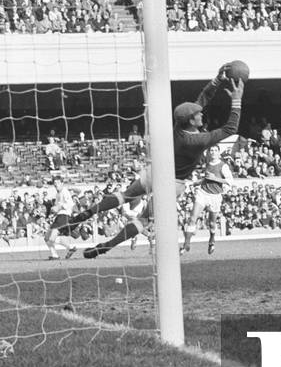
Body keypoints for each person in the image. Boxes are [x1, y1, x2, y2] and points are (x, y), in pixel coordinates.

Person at [61, 63, 244, 259]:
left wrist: (217, 80)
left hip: (156, 172)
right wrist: (236, 101)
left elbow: (203, 99)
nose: (202, 114)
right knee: (145, 220)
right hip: (174, 183)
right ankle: (106, 246)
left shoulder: (179, 127)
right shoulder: (196, 140)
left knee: (125, 195)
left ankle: (85, 214)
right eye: (198, 114)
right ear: (191, 120)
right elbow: (230, 129)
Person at [182, 145, 233, 255]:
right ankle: (186, 243)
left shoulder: (223, 166)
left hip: (215, 196)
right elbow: (206, 178)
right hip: (203, 193)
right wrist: (196, 182)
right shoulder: (208, 164)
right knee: (192, 217)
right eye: (211, 150)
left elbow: (230, 181)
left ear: (219, 153)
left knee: (212, 223)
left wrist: (214, 178)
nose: (213, 152)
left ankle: (212, 239)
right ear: (209, 152)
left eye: (215, 150)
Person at [44, 177, 78, 260]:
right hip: (59, 216)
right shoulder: (58, 194)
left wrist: (59, 207)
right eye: (55, 183)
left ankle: (69, 248)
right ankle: (56, 254)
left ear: (62, 183)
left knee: (52, 238)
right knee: (46, 237)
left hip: (64, 216)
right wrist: (53, 213)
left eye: (58, 182)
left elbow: (70, 203)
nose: (56, 184)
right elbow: (57, 208)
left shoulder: (64, 191)